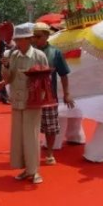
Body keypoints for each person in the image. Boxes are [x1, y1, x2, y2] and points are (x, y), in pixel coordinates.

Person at [0, 24, 48, 184]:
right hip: (17, 100)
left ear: (29, 39)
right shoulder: (13, 56)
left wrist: (39, 93)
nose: (18, 42)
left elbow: (46, 78)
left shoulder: (39, 56)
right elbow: (9, 77)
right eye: (16, 40)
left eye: (20, 39)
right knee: (19, 137)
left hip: (32, 101)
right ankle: (26, 169)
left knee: (31, 136)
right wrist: (5, 71)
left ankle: (34, 171)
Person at [32, 22, 75, 165]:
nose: (35, 39)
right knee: (30, 126)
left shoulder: (55, 53)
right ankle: (31, 153)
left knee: (50, 127)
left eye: (38, 36)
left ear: (46, 36)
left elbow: (63, 75)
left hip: (49, 97)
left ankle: (49, 153)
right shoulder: (28, 53)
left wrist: (67, 94)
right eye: (33, 36)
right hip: (31, 96)